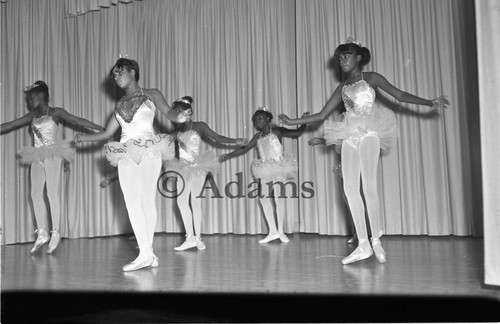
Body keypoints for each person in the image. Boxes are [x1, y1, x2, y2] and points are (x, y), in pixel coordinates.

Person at [279, 38, 449, 264]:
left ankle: (376, 240)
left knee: (368, 185)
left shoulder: (371, 78)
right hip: (348, 134)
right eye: (340, 57)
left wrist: (429, 102)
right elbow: (321, 115)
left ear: (359, 57)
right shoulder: (341, 87)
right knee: (349, 188)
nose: (342, 60)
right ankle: (362, 244)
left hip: (369, 130)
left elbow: (400, 95)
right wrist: (292, 121)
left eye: (347, 55)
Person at [74, 58, 179, 272]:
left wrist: (181, 115)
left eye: (119, 72)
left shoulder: (152, 94)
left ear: (132, 71)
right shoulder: (119, 105)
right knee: (132, 202)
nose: (116, 77)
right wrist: (82, 138)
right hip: (124, 151)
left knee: (147, 201)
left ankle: (145, 253)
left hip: (150, 148)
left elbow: (169, 113)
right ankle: (147, 253)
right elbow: (106, 133)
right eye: (114, 75)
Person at [1, 81, 103, 254]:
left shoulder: (56, 112)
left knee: (51, 192)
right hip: (37, 154)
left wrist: (101, 129)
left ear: (40, 96)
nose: (28, 102)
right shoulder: (32, 115)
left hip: (53, 153)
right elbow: (10, 124)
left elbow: (77, 120)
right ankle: (42, 232)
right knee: (35, 193)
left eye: (30, 98)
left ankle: (55, 232)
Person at [166, 96, 247, 251]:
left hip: (197, 167)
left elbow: (217, 138)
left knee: (195, 202)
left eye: (178, 112)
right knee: (182, 202)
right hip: (182, 168)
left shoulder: (199, 126)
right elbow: (162, 142)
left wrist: (235, 140)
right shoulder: (176, 132)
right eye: (174, 113)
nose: (175, 115)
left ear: (188, 112)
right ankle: (190, 237)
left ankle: (198, 238)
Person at [220, 107, 308, 244]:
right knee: (263, 199)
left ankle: (281, 231)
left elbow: (297, 132)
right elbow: (245, 149)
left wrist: (304, 121)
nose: (257, 121)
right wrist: (228, 155)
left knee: (279, 198)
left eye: (260, 118)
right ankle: (272, 231)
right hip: (265, 169)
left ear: (268, 119)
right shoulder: (257, 137)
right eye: (255, 120)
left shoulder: (277, 131)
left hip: (279, 167)